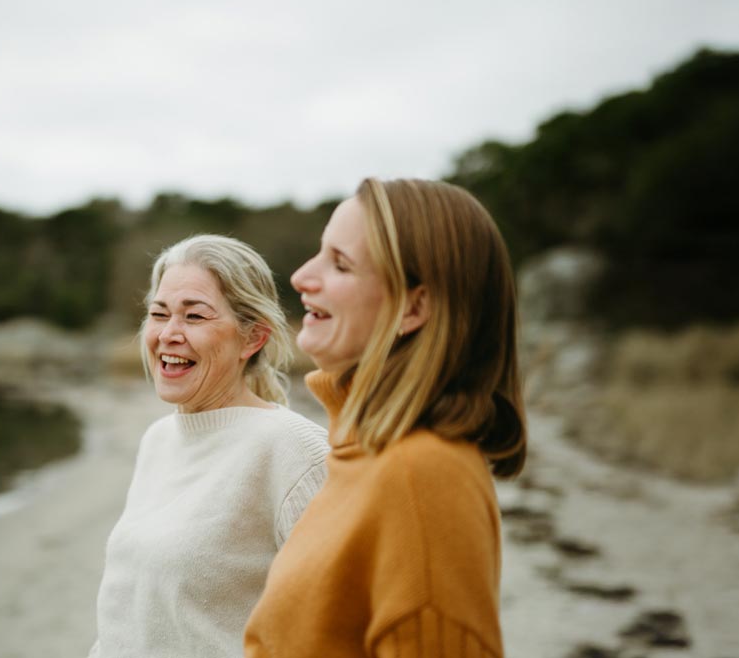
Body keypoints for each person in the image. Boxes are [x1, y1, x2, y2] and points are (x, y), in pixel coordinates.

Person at [244, 178, 527, 657]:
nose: (300, 277)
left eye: (340, 264)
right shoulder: (366, 456)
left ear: (414, 307)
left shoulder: (422, 476)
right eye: (319, 253)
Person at [89, 234, 329, 658]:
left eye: (194, 316)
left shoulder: (296, 450)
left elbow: (335, 629)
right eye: (159, 314)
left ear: (253, 338)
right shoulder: (158, 439)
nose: (168, 334)